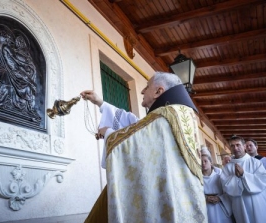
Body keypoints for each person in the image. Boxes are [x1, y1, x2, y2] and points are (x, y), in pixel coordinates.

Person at [81, 71, 207, 223]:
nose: (142, 91)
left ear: (158, 91)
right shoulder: (177, 114)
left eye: (146, 87)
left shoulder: (165, 115)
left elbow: (135, 141)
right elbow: (135, 125)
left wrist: (107, 132)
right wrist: (100, 103)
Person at [220, 135, 266, 223]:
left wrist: (244, 175)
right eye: (232, 146)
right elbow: (225, 186)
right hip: (240, 204)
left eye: (238, 145)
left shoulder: (255, 162)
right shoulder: (227, 168)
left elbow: (263, 181)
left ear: (244, 146)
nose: (235, 148)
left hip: (259, 202)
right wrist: (235, 177)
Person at [201, 148, 233, 223]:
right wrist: (205, 198)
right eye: (201, 161)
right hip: (206, 206)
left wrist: (219, 198)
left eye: (205, 161)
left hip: (220, 205)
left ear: (211, 162)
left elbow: (228, 191)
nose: (203, 163)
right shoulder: (198, 178)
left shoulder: (219, 176)